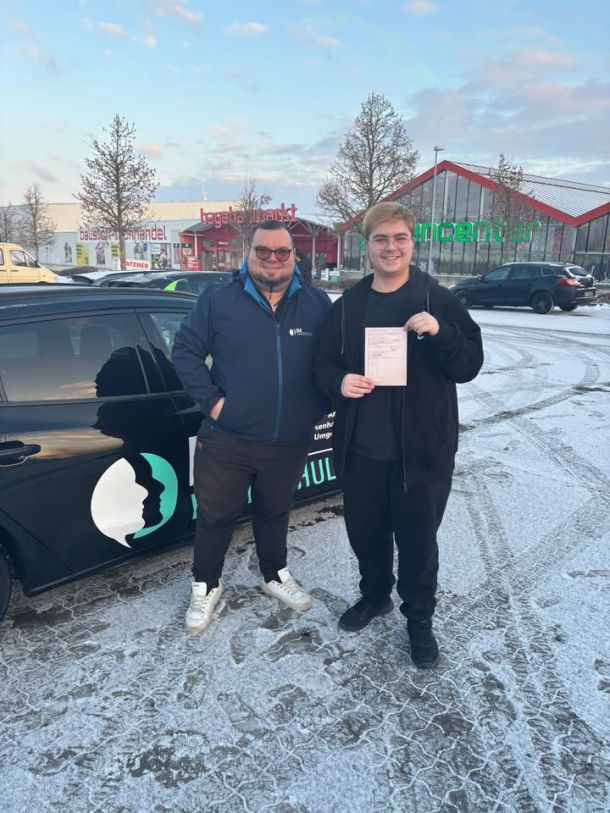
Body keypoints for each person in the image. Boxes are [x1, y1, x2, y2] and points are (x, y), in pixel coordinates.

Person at [314, 202, 483, 668]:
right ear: (366, 245)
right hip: (361, 450)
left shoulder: (437, 299)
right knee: (366, 535)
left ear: (412, 242)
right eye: (381, 239)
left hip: (422, 452)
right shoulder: (348, 306)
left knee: (418, 542)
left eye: (399, 238)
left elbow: (469, 364)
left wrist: (442, 331)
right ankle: (375, 596)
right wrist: (339, 382)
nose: (391, 247)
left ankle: (419, 618)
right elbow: (322, 363)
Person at [172, 221, 332, 633]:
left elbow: (335, 361)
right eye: (263, 250)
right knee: (215, 516)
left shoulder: (317, 304)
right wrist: (214, 405)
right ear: (249, 253)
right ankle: (206, 584)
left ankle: (274, 574)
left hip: (289, 440)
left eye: (281, 251)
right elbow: (185, 352)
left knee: (275, 511)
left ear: (294, 256)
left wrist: (315, 408)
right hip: (228, 438)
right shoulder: (218, 300)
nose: (272, 259)